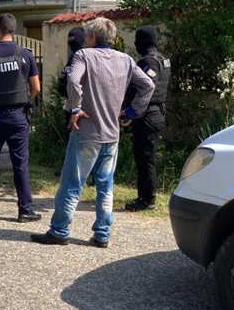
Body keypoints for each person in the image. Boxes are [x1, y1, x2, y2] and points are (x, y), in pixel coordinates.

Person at [32, 17, 154, 247]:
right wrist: (131, 112)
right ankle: (102, 234)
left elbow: (73, 80)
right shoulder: (126, 60)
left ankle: (59, 231)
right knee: (105, 186)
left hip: (86, 131)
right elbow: (148, 85)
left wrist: (76, 107)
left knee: (72, 183)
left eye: (87, 35)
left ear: (92, 37)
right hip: (112, 133)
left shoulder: (83, 56)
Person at [0, 14, 42, 223]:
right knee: (20, 164)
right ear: (13, 30)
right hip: (18, 116)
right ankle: (25, 211)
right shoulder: (25, 55)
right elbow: (36, 88)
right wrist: (23, 100)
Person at [125, 25, 171, 212]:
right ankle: (144, 196)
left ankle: (147, 199)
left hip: (147, 114)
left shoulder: (148, 61)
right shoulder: (163, 59)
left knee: (145, 157)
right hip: (155, 112)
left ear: (142, 42)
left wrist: (130, 110)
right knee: (145, 156)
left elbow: (145, 87)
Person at [55, 27, 87, 177]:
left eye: (73, 39)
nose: (70, 42)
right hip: (73, 104)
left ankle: (79, 172)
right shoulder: (75, 58)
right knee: (72, 139)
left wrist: (62, 81)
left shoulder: (81, 57)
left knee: (80, 140)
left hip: (80, 105)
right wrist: (62, 80)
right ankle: (70, 169)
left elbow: (71, 82)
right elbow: (65, 82)